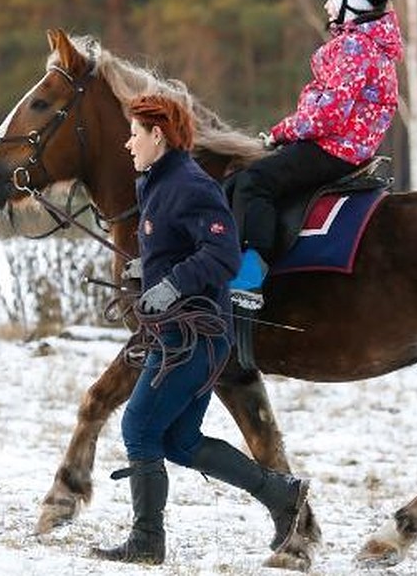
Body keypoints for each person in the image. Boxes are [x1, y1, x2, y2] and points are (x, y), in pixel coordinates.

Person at [92, 94, 310, 565]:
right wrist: (146, 273)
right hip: (179, 336)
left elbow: (223, 255)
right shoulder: (156, 183)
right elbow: (178, 246)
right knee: (178, 441)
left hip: (195, 337)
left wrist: (170, 286)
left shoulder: (192, 185)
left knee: (138, 427)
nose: (128, 144)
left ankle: (147, 542)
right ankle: (281, 494)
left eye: (134, 134)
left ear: (158, 136)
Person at [229, 0, 403, 296]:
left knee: (253, 181)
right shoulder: (370, 46)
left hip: (332, 149)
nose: (325, 7)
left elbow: (329, 114)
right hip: (344, 148)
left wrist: (281, 132)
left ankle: (252, 270)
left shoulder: (354, 47)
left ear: (350, 2)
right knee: (236, 181)